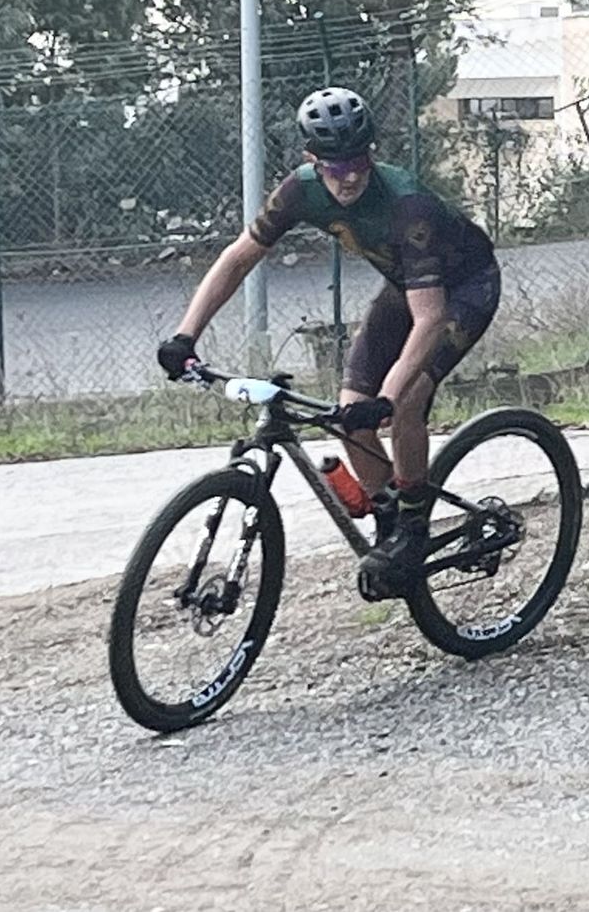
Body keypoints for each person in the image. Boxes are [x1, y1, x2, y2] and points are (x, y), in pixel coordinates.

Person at [156, 86, 501, 599]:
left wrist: (389, 395)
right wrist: (186, 335)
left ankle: (413, 525)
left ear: (372, 156)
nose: (351, 178)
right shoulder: (300, 190)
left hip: (465, 288)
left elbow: (429, 319)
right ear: (312, 162)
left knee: (404, 403)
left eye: (359, 163)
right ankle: (388, 519)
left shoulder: (409, 207)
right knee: (347, 412)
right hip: (405, 286)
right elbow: (238, 259)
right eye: (336, 168)